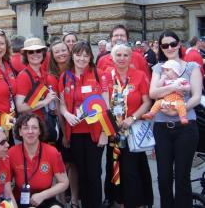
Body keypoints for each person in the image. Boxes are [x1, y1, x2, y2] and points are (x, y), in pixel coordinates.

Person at [96, 24, 151, 208]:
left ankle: (134, 202)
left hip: (133, 129)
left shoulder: (140, 75)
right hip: (113, 130)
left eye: (125, 55)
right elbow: (101, 103)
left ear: (131, 57)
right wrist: (109, 125)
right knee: (113, 165)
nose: (122, 58)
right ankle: (117, 200)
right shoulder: (105, 76)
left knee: (132, 169)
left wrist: (133, 118)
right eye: (118, 55)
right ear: (112, 58)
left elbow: (146, 102)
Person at [149, 30, 202, 208]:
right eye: (165, 45)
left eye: (173, 44)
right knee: (163, 178)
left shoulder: (191, 67)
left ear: (179, 44)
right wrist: (173, 87)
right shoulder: (159, 68)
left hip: (185, 128)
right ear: (161, 48)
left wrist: (179, 109)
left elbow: (195, 96)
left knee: (182, 178)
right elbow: (152, 92)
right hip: (162, 129)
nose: (169, 48)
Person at [59, 41, 108, 208]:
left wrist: (105, 133)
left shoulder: (99, 74)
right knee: (81, 172)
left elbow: (106, 106)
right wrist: (66, 114)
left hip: (95, 133)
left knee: (94, 173)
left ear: (90, 57)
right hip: (75, 132)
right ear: (73, 56)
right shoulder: (65, 76)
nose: (82, 58)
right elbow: (62, 104)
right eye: (78, 54)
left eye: (86, 55)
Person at [8, 113, 69, 208]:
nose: (30, 131)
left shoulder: (52, 152)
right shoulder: (11, 153)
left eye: (34, 128)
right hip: (21, 200)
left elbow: (64, 182)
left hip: (45, 198)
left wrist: (43, 195)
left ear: (40, 131)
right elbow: (6, 186)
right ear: (20, 132)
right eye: (25, 128)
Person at [48, 40, 79, 207]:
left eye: (63, 50)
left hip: (78, 124)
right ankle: (60, 199)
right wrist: (65, 132)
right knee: (62, 164)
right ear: (52, 56)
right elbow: (58, 108)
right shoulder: (52, 76)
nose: (61, 54)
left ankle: (74, 198)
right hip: (61, 126)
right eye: (57, 52)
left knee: (74, 163)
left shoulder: (75, 70)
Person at [15, 37, 57, 121]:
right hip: (31, 124)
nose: (35, 54)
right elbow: (20, 107)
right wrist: (45, 101)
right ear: (26, 55)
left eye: (38, 51)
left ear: (43, 53)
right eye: (31, 52)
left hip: (45, 121)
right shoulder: (23, 76)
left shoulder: (44, 73)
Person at [143, 60, 190, 124]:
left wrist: (183, 87)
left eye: (167, 70)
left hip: (177, 100)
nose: (165, 72)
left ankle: (183, 117)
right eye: (164, 70)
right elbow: (157, 86)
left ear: (175, 72)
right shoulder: (165, 81)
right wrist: (162, 79)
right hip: (166, 101)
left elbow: (188, 87)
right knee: (157, 103)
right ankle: (151, 113)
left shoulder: (180, 80)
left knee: (181, 105)